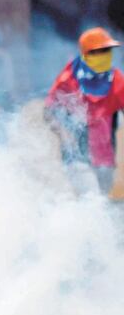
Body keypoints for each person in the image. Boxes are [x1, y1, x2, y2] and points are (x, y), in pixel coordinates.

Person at [45, 27, 124, 194]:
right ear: (87, 54)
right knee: (90, 198)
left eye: (107, 50)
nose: (106, 55)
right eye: (101, 50)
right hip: (76, 157)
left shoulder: (115, 79)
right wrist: (64, 134)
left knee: (101, 200)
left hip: (104, 157)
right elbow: (49, 112)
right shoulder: (68, 79)